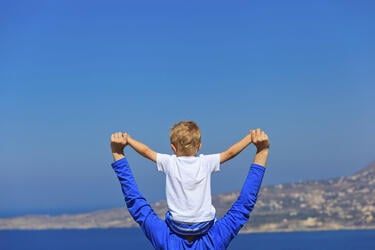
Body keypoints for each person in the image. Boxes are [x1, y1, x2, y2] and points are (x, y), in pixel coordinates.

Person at [110, 128, 270, 249]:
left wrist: (118, 153)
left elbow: (136, 204)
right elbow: (243, 206)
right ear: (199, 146)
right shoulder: (212, 242)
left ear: (173, 147)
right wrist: (262, 151)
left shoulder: (168, 242)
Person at [125, 121, 253, 236]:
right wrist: (249, 138)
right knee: (212, 215)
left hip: (177, 226)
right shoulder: (206, 162)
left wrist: (129, 140)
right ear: (199, 146)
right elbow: (230, 153)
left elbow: (146, 151)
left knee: (168, 216)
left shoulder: (169, 162)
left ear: (173, 148)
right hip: (204, 225)